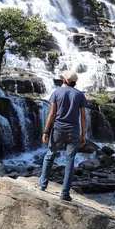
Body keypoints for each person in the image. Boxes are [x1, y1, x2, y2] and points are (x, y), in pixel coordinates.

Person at [38, 70, 87, 201]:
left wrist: (45, 132)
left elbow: (51, 114)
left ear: (64, 81)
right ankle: (65, 193)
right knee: (70, 161)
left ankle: (43, 184)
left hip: (58, 129)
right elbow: (83, 117)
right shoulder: (80, 95)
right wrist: (84, 134)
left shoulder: (57, 92)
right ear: (74, 82)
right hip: (74, 131)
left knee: (49, 156)